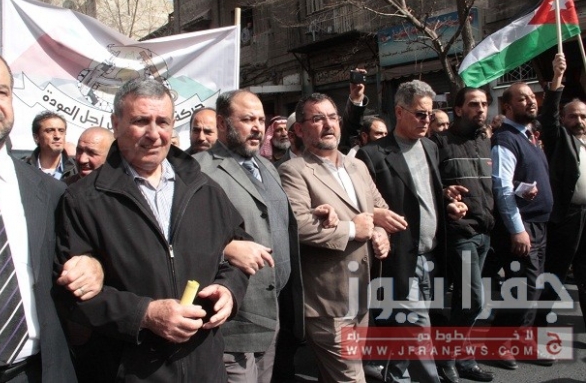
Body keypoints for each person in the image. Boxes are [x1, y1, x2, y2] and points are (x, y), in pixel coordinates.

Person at [55, 78, 249, 382]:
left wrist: (229, 290)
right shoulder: (83, 200)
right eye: (141, 121)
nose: (154, 134)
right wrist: (144, 314)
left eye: (163, 122)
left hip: (205, 368)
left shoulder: (204, 189)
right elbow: (71, 298)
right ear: (115, 123)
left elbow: (238, 248)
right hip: (132, 372)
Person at [0, 47, 101, 383]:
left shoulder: (52, 193)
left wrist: (94, 265)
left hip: (35, 371)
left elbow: (76, 257)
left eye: (0, 91)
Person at [356, 80, 466, 383]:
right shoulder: (372, 155)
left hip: (432, 256)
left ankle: (394, 376)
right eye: (420, 114)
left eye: (430, 114)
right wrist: (375, 215)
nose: (426, 120)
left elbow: (425, 194)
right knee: (418, 331)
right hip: (399, 260)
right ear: (399, 112)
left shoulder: (430, 147)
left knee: (406, 332)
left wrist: (448, 204)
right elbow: (357, 204)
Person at [279, 92, 391, 382]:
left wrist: (380, 232)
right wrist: (352, 229)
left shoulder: (357, 166)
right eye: (318, 119)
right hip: (326, 305)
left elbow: (379, 209)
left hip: (361, 296)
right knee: (351, 378)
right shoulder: (293, 171)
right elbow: (297, 225)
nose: (328, 125)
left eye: (333, 117)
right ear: (299, 129)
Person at [194, 89, 304, 383]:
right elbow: (185, 239)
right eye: (247, 119)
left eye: (260, 120)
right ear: (222, 123)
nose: (257, 127)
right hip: (234, 318)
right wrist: (226, 249)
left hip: (272, 312)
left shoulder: (267, 167)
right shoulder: (200, 171)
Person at [490, 58, 560, 369]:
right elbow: (502, 188)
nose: (530, 101)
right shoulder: (506, 139)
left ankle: (523, 342)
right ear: (507, 107)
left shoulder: (528, 136)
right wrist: (517, 229)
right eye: (522, 98)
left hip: (539, 224)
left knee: (535, 286)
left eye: (532, 96)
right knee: (523, 287)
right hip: (523, 226)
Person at [430, 87, 495, 382]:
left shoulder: (484, 141)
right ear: (458, 109)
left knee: (464, 302)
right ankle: (446, 358)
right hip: (460, 233)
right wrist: (445, 194)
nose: (481, 109)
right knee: (473, 300)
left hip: (484, 232)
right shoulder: (439, 143)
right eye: (473, 104)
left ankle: (464, 360)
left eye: (484, 104)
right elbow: (429, 185)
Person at [536, 55, 586, 327]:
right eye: (573, 116)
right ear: (564, 119)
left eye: (583, 116)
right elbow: (548, 117)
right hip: (566, 217)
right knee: (554, 275)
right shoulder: (560, 140)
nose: (579, 120)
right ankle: (538, 327)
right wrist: (557, 78)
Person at [25, 111, 77, 179]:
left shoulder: (78, 168)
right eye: (50, 130)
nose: (57, 136)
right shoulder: (22, 167)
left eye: (61, 131)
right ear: (36, 137)